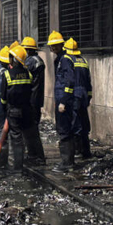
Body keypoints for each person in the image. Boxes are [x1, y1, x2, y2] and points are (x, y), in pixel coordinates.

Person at [1, 44, 33, 170]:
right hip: (26, 110)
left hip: (13, 110)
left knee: (16, 138)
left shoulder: (7, 74)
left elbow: (3, 96)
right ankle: (26, 162)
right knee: (26, 136)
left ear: (14, 59)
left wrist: (5, 109)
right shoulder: (28, 74)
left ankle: (18, 167)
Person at [47, 31, 76, 170]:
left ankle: (67, 163)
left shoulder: (65, 59)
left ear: (61, 45)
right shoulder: (59, 59)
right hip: (60, 100)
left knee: (65, 130)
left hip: (64, 101)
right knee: (62, 129)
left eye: (55, 45)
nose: (53, 48)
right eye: (51, 46)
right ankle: (66, 161)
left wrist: (63, 101)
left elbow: (70, 82)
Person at [64, 38, 93, 159]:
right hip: (84, 95)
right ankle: (86, 151)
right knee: (84, 122)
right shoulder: (83, 60)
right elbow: (88, 81)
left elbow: (69, 80)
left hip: (75, 94)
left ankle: (78, 151)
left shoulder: (68, 60)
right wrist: (89, 96)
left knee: (75, 123)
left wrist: (65, 98)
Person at [21, 36, 47, 164]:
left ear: (28, 50)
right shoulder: (38, 60)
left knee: (31, 130)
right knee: (31, 129)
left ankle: (37, 157)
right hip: (36, 99)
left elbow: (24, 75)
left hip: (31, 100)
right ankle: (34, 156)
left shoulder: (30, 62)